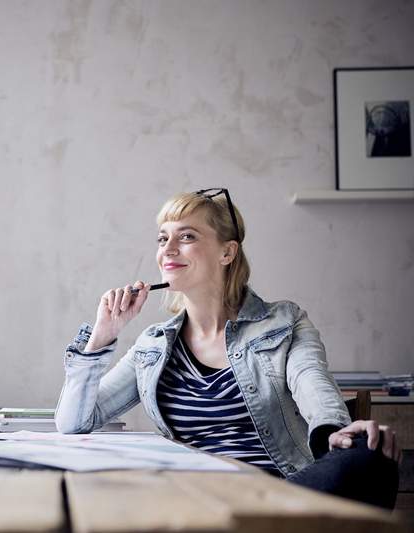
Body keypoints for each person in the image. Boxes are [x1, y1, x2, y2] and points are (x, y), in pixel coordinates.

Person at [55, 189, 400, 509]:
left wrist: (335, 430)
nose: (168, 249)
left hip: (282, 493)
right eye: (163, 238)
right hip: (196, 500)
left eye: (187, 236)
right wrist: (102, 336)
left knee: (369, 455)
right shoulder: (153, 345)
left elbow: (314, 384)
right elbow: (73, 423)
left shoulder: (283, 321)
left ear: (227, 251)